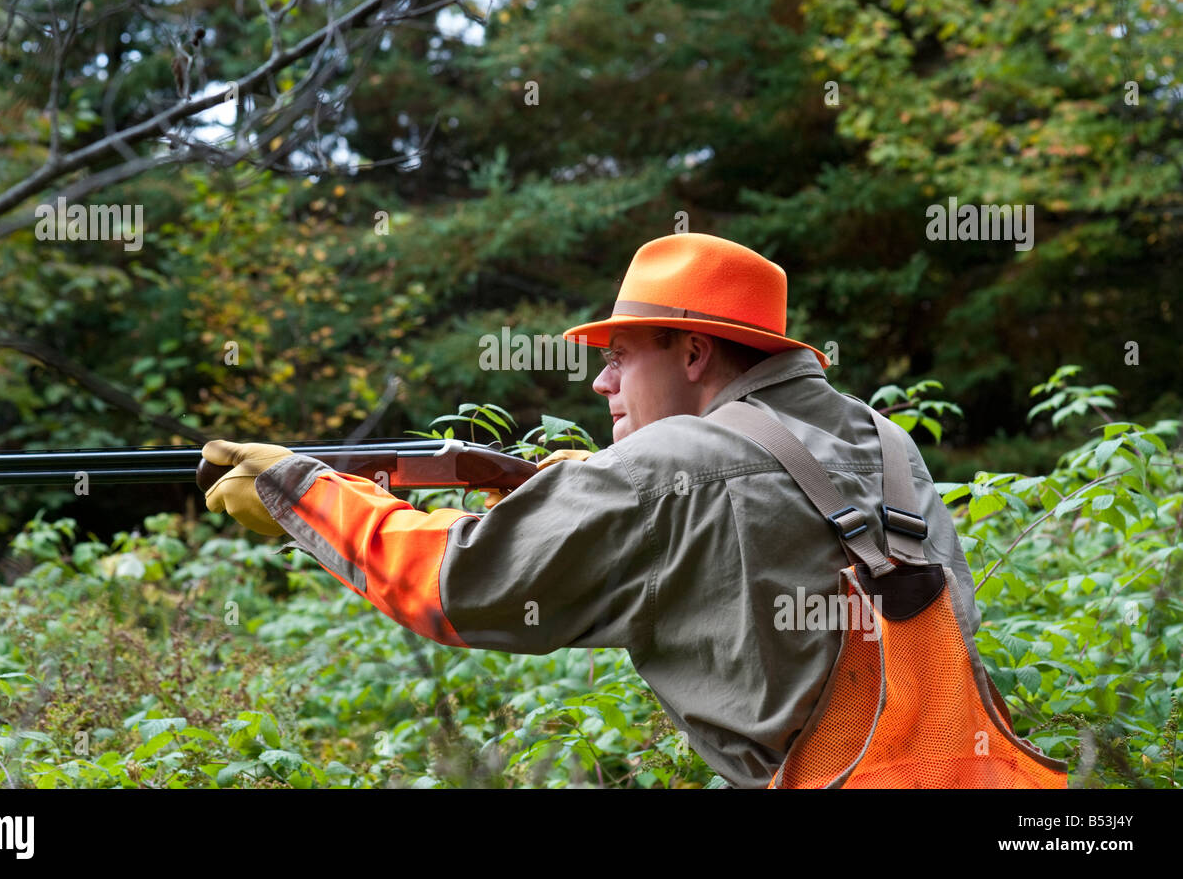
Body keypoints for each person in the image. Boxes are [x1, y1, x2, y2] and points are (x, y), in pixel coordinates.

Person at [201, 232, 1061, 788]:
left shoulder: (674, 465)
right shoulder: (884, 443)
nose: (601, 381)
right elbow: (756, 512)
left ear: (692, 353)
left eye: (619, 355)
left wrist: (300, 492)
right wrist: (584, 487)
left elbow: (453, 584)